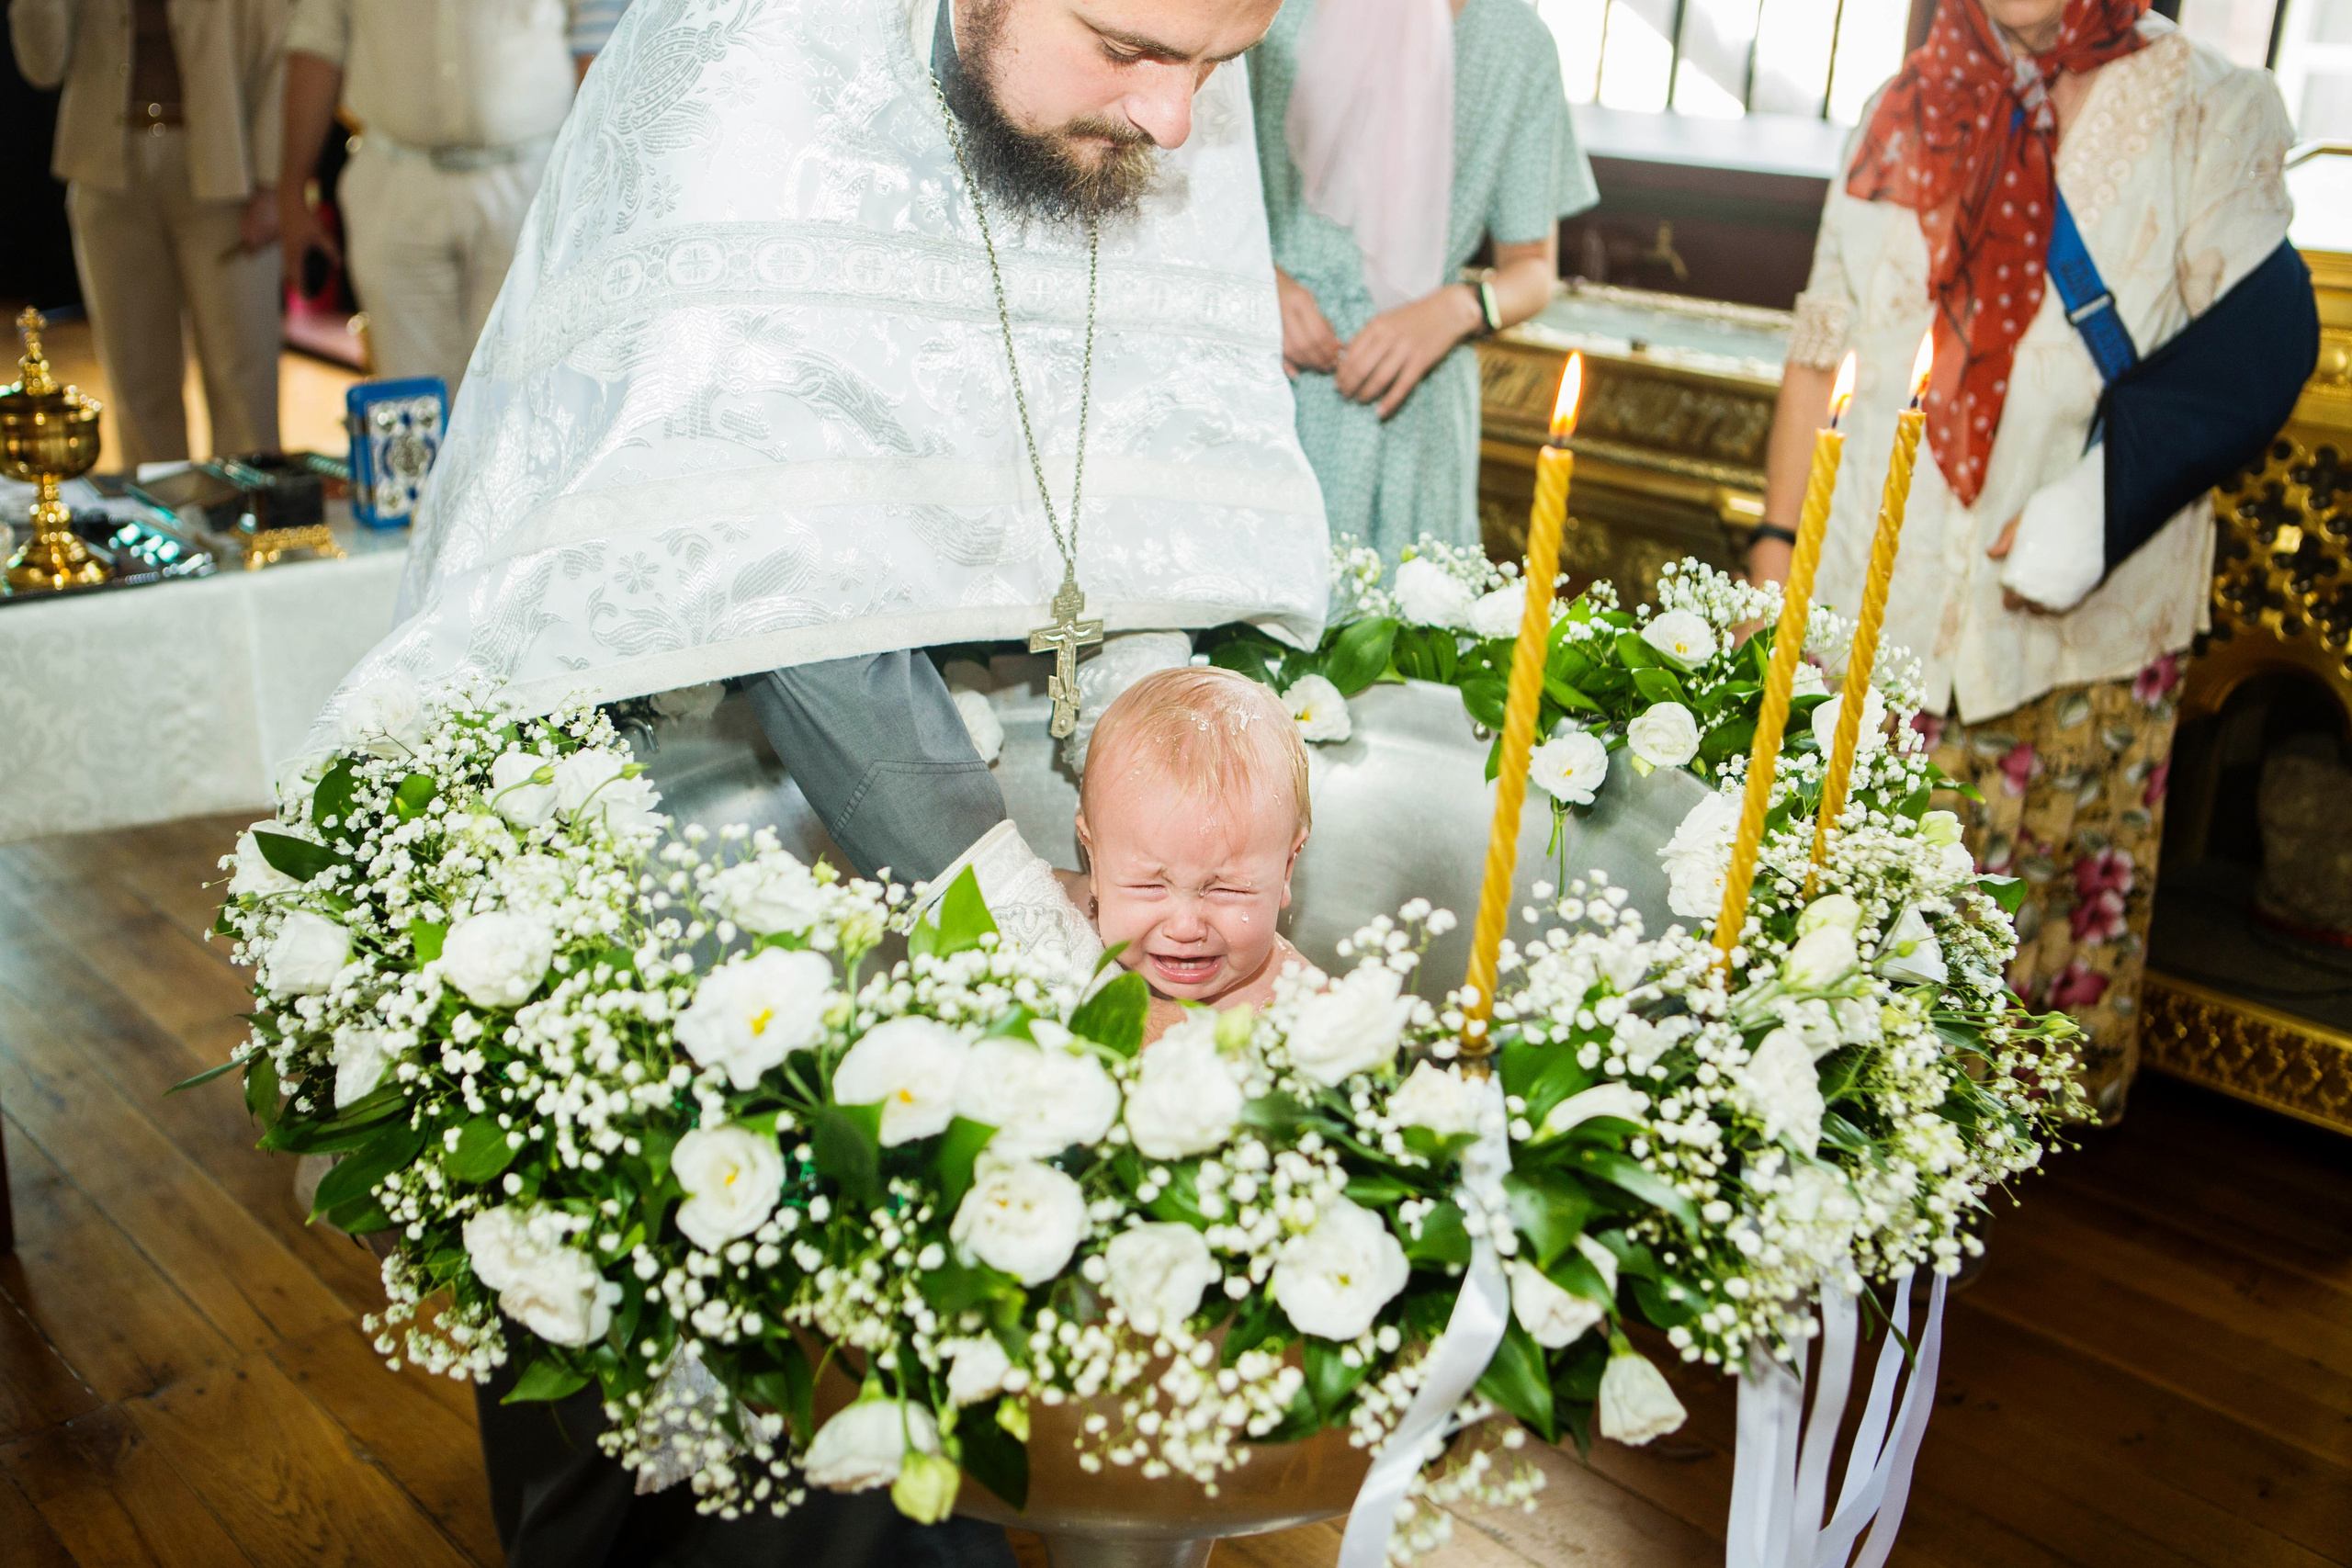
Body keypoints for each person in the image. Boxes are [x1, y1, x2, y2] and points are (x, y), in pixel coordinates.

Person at [309, 0, 1326, 1561]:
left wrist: (1165, 828)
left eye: (1220, 67)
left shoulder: (1152, 64)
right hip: (683, 773)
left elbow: (1144, 459)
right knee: (715, 1438)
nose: (1180, 124)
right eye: (1132, 47)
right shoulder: (748, 56)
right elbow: (761, 545)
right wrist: (1010, 898)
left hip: (994, 770)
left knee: (977, 1413)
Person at [1750, 0, 2307, 1119]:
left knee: (2004, 1040)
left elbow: (2252, 355)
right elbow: (1821, 348)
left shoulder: (2213, 106)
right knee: (1828, 997)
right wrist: (1776, 547)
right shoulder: (1896, 105)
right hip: (1873, 611)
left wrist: (2091, 506)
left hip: (2065, 642)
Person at [1249, 0, 1595, 558]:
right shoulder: (1275, 10)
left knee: (1408, 629)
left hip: (1415, 406)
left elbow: (1533, 270)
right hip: (1267, 373)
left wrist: (1454, 310)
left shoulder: (1517, 40)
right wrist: (1255, 278)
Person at [276, 0, 613, 403]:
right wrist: (291, 193)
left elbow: (598, 36)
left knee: (525, 400)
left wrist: (597, 189)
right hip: (395, 179)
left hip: (532, 185)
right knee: (409, 408)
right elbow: (319, 40)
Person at [8, 0, 287, 466]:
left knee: (243, 372)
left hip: (224, 172)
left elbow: (277, 53)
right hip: (108, 172)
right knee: (137, 380)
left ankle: (246, 522)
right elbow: (42, 66)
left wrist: (273, 184)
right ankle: (160, 524)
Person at [1075, 666, 1311, 1039]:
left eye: (1228, 890)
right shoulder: (1059, 916)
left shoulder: (1300, 1008)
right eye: (1148, 886)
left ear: (1286, 869)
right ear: (1094, 861)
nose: (1185, 928)